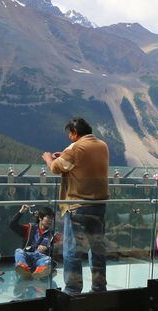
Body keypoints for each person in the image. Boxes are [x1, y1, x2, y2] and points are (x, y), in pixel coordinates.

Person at [43, 117, 110, 293]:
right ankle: (99, 288)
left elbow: (55, 168)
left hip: (78, 205)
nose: (69, 137)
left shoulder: (75, 147)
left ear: (74, 133)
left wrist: (49, 158)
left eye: (70, 134)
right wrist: (65, 155)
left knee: (72, 249)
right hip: (99, 204)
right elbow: (81, 162)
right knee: (97, 248)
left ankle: (73, 290)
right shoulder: (102, 145)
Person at [10, 204, 59, 280]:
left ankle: (39, 271)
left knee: (48, 260)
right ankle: (23, 268)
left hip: (41, 258)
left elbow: (56, 251)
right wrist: (21, 212)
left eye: (52, 219)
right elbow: (12, 225)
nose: (50, 221)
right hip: (27, 255)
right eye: (48, 218)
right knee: (18, 251)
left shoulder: (53, 235)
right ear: (40, 218)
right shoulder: (30, 228)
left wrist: (47, 248)